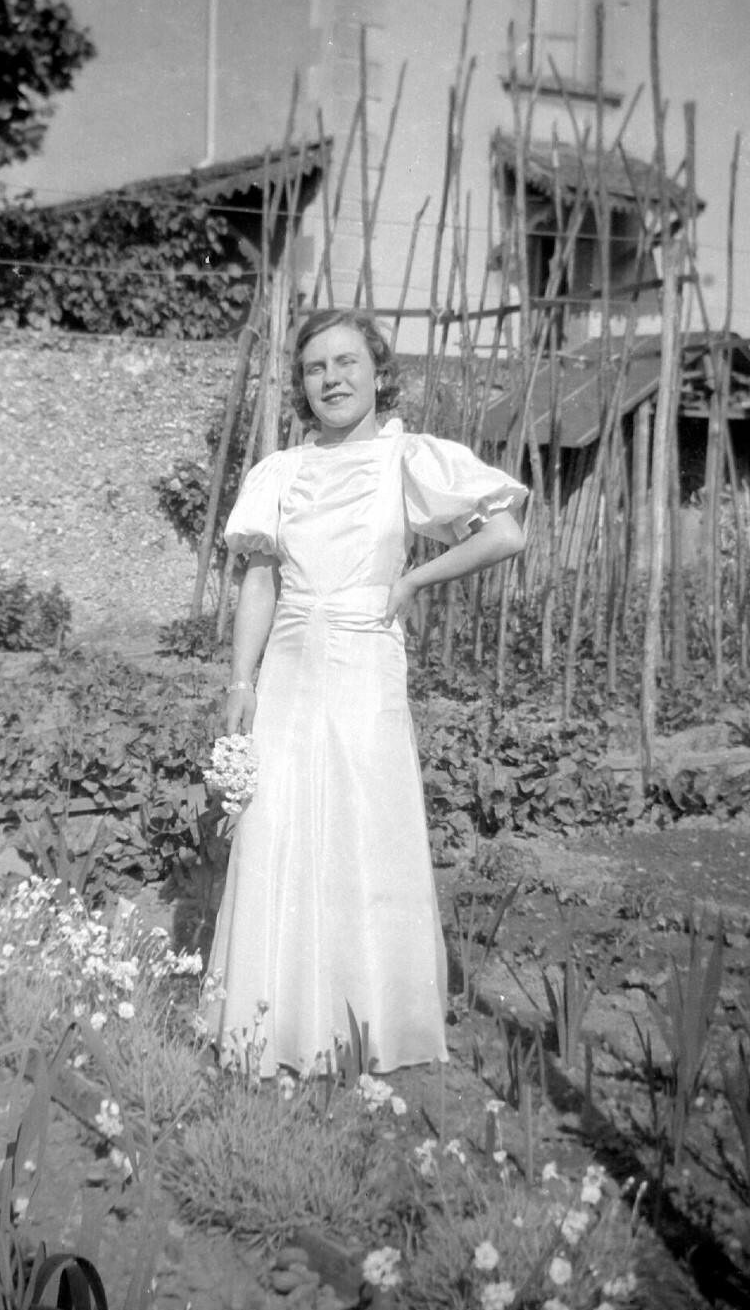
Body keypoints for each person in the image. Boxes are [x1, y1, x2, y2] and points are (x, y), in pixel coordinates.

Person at [203, 309, 528, 1079]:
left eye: (347, 363)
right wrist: (241, 683)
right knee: (276, 823)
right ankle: (273, 1022)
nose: (332, 380)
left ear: (379, 372)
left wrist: (414, 578)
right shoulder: (280, 471)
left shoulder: (404, 459)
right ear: (302, 386)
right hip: (286, 663)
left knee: (362, 825)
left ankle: (364, 1022)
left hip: (363, 659)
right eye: (316, 369)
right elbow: (259, 580)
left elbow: (507, 530)